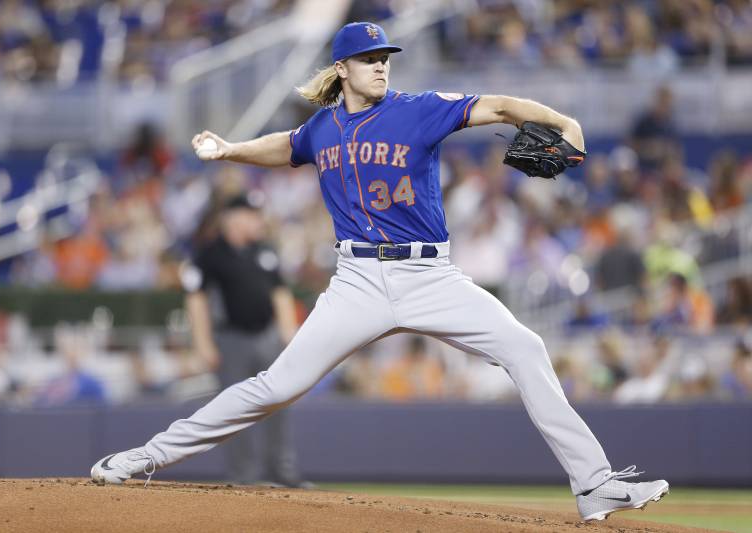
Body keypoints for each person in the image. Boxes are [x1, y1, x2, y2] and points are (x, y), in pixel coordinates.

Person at [91, 22, 668, 522]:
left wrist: (561, 119)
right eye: (369, 59)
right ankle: (148, 456)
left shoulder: (418, 109)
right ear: (342, 69)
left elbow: (497, 107)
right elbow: (286, 146)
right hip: (357, 281)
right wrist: (230, 149)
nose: (381, 66)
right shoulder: (322, 128)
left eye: (385, 58)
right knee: (277, 386)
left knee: (525, 348)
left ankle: (594, 484)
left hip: (431, 276)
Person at [181, 193, 306, 487]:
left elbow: (280, 293)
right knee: (233, 410)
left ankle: (282, 472)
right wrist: (203, 343)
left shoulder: (265, 251)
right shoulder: (210, 254)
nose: (258, 221)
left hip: (267, 337)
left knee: (279, 403)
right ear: (233, 218)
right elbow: (196, 299)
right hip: (231, 339)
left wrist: (289, 334)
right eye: (252, 215)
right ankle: (244, 477)